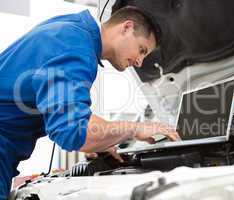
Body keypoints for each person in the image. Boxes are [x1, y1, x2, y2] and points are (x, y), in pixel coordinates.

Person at [0, 6, 180, 199]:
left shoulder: (72, 28)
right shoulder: (74, 47)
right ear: (127, 27)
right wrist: (135, 128)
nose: (140, 62)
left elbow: (61, 118)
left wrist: (104, 139)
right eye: (142, 50)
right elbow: (73, 131)